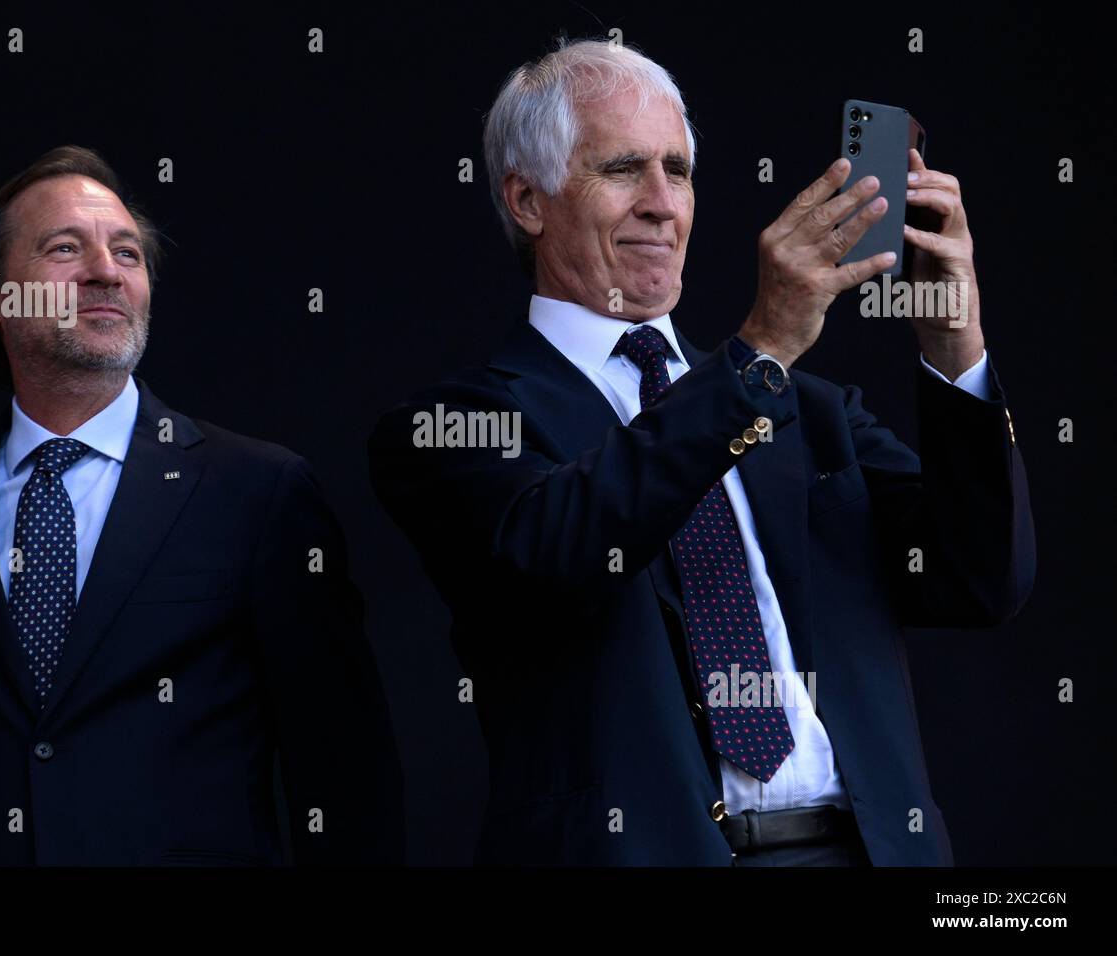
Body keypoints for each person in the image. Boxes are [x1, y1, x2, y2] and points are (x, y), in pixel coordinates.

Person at [368, 40, 1034, 866]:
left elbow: (979, 582)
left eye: (678, 171)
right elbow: (560, 550)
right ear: (527, 200)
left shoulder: (813, 414)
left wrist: (951, 339)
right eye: (622, 170)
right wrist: (758, 355)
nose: (662, 204)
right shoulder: (455, 423)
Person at [0, 145, 403, 865]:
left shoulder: (258, 495)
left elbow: (348, 780)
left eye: (128, 253)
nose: (106, 271)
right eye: (66, 248)